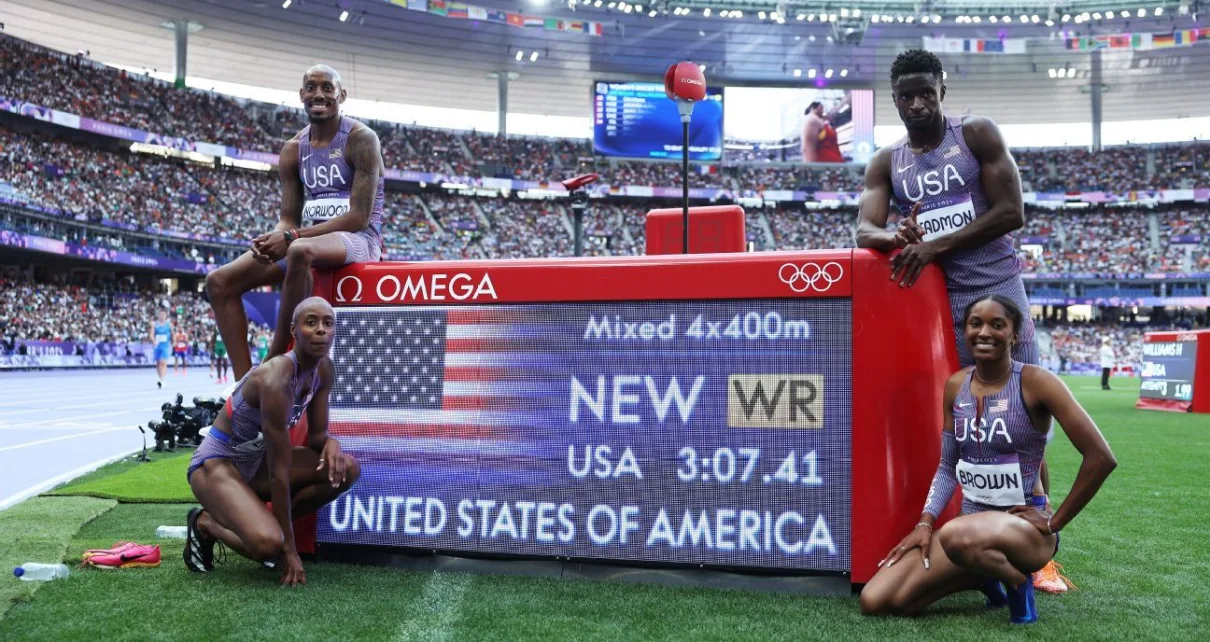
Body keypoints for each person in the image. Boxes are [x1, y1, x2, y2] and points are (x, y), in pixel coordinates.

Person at [854, 48, 1067, 591]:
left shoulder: (975, 135)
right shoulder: (888, 161)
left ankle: (1037, 547)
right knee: (972, 424)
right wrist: (895, 238)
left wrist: (935, 244)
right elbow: (864, 230)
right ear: (895, 100)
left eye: (927, 91)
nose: (918, 103)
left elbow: (1011, 212)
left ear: (942, 90)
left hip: (999, 294)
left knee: (1021, 415)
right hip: (940, 309)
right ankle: (974, 535)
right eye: (907, 95)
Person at [859, 295, 1117, 624]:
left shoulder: (1037, 382)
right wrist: (924, 523)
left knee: (953, 534)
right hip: (970, 533)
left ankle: (1016, 581)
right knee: (879, 600)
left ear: (1014, 335)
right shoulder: (956, 386)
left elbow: (1101, 457)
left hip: (1024, 532)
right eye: (975, 323)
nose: (984, 332)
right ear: (965, 331)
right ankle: (983, 576)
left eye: (997, 325)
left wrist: (1054, 522)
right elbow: (947, 467)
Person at [205, 64, 385, 381]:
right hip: (306, 238)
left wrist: (289, 237)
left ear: (341, 96)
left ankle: (275, 357)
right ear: (301, 94)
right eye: (311, 87)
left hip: (358, 241)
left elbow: (358, 217)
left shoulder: (361, 139)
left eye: (328, 88)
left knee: (300, 250)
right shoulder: (292, 149)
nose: (319, 94)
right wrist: (271, 240)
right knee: (218, 282)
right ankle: (246, 386)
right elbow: (288, 217)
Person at [184, 297, 359, 586]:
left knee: (346, 469)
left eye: (328, 323)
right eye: (311, 322)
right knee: (268, 545)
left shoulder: (324, 370)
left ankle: (265, 526)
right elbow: (279, 471)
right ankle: (205, 523)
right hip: (217, 464)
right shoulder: (276, 378)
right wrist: (288, 549)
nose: (321, 330)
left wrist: (333, 444)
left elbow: (317, 437)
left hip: (255, 463)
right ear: (294, 330)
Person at [150, 309, 172, 388]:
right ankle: (161, 379)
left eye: (163, 314)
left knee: (163, 362)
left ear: (166, 316)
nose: (162, 316)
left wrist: (174, 341)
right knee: (158, 364)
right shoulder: (154, 324)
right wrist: (153, 340)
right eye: (161, 314)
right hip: (157, 346)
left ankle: (162, 379)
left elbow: (173, 334)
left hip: (165, 346)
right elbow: (151, 334)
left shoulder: (169, 325)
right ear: (158, 315)